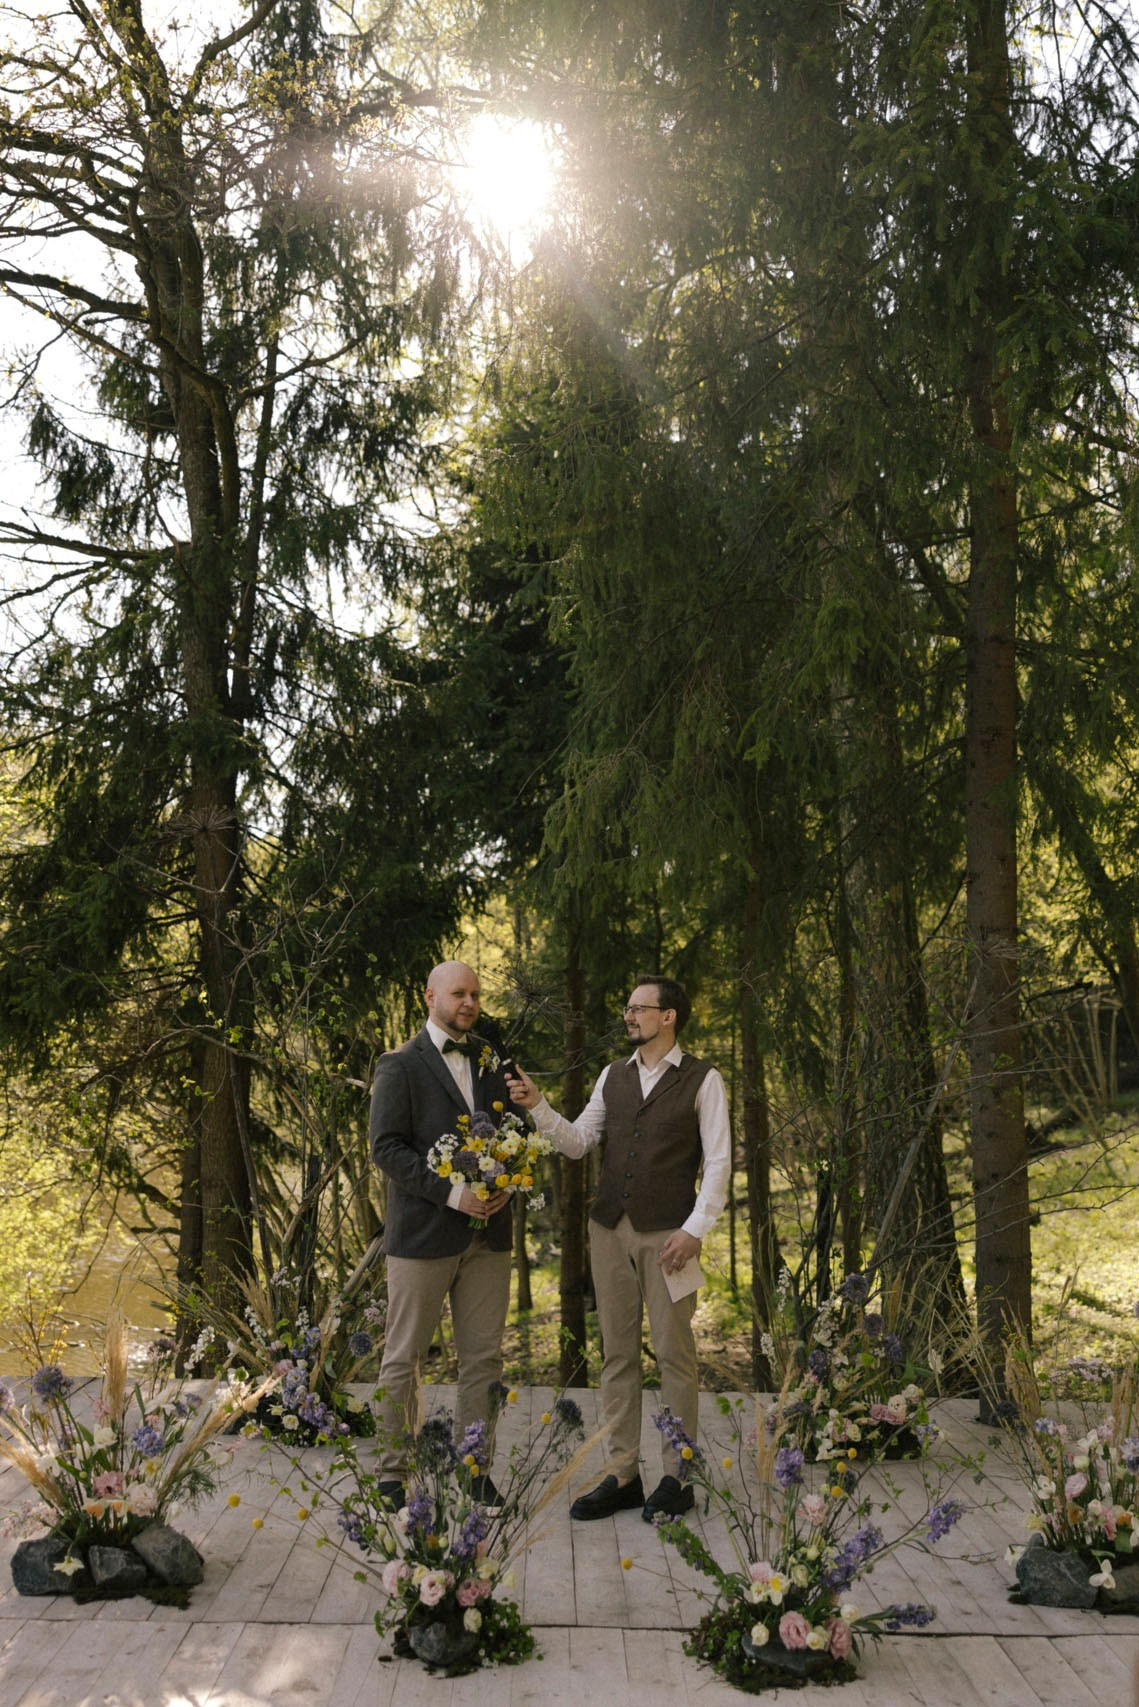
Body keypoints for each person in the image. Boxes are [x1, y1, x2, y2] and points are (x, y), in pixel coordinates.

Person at [508, 974, 730, 1523]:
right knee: (618, 1356)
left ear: (668, 1016)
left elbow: (721, 1163)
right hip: (609, 1231)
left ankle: (678, 1478)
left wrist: (694, 1230)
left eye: (639, 1008)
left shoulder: (704, 1080)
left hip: (670, 1239)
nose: (628, 1016)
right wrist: (537, 1105)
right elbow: (580, 1142)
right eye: (627, 1008)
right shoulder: (613, 1076)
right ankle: (622, 1472)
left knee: (677, 1357)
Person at [370, 960, 515, 1508]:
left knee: (483, 1358)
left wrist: (504, 1182)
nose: (470, 1002)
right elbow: (385, 1148)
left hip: (489, 1235)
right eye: (459, 993)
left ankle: (474, 1467)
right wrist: (456, 1194)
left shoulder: (490, 1061)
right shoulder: (400, 1065)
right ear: (429, 996)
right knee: (404, 1357)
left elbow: (512, 1130)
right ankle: (391, 1474)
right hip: (424, 1233)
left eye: (476, 994)